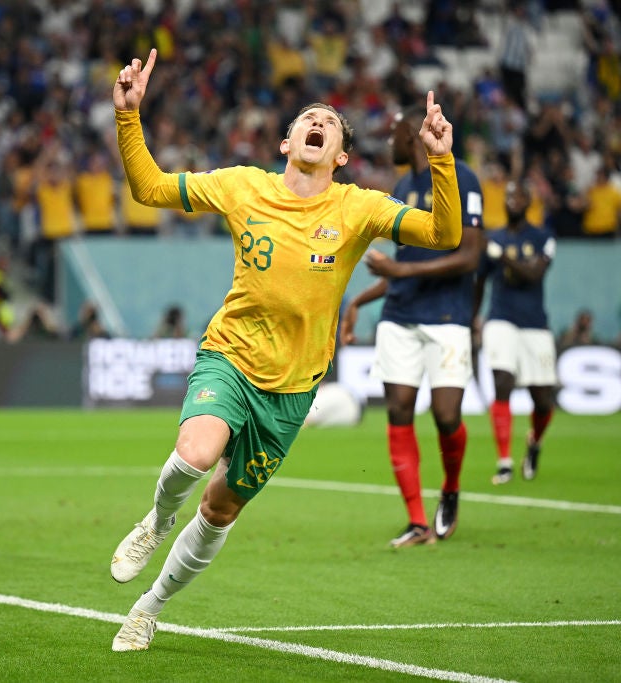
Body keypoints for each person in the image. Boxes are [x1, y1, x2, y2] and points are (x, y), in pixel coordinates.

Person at [108, 49, 462, 652]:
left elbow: (444, 235)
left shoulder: (358, 207)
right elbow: (148, 189)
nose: (318, 121)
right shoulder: (242, 185)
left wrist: (442, 162)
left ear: (341, 155)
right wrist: (128, 117)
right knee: (195, 455)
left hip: (294, 388)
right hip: (232, 354)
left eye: (330, 121)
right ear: (286, 141)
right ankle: (159, 518)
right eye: (307, 116)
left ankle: (149, 606)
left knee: (220, 511)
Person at [339, 105, 484, 548]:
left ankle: (451, 491)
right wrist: (361, 301)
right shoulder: (402, 186)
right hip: (400, 317)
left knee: (446, 416)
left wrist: (400, 275)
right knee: (399, 411)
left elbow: (470, 256)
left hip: (447, 315)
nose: (388, 143)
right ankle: (418, 520)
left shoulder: (462, 177)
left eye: (393, 135)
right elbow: (404, 264)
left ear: (411, 134)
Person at [476, 181, 557, 484]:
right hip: (500, 318)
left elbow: (535, 273)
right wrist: (472, 319)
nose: (512, 201)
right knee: (502, 382)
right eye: (509, 196)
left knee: (544, 400)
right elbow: (480, 282)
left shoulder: (543, 237)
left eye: (519, 196)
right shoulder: (491, 238)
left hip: (535, 323)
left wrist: (503, 256)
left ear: (528, 201)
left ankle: (534, 442)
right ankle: (505, 461)